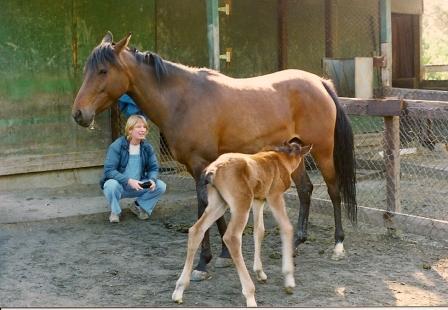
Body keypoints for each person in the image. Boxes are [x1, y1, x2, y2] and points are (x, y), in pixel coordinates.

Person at [100, 115, 166, 223]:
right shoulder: (117, 146)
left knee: (161, 186)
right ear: (130, 130)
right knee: (110, 185)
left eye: (144, 127)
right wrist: (128, 181)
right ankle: (115, 211)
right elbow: (109, 170)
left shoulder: (147, 147)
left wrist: (152, 180)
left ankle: (138, 205)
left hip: (139, 185)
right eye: (138, 127)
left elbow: (153, 168)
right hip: (121, 185)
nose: (143, 130)